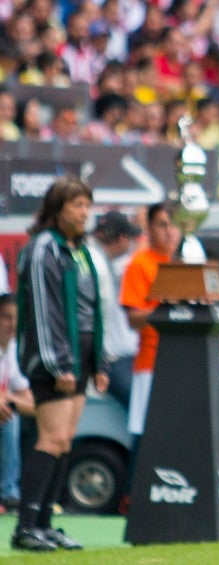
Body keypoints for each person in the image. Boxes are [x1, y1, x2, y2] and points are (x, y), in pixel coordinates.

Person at [13, 178, 109, 551]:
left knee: (65, 440)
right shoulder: (42, 249)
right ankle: (26, 526)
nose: (84, 213)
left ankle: (46, 524)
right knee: (50, 438)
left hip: (81, 354)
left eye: (87, 205)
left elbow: (92, 310)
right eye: (76, 205)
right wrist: (57, 365)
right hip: (54, 357)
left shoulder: (81, 250)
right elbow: (43, 312)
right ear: (57, 209)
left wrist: (97, 360)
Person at [120, 203, 179, 444]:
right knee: (148, 440)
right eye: (162, 224)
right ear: (150, 228)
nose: (169, 231)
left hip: (183, 360)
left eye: (173, 225)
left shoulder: (182, 262)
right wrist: (163, 307)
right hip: (151, 362)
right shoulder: (140, 263)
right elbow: (133, 319)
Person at [87, 211, 141, 410]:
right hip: (112, 362)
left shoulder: (101, 260)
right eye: (130, 239)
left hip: (117, 359)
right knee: (143, 410)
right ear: (121, 239)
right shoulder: (103, 262)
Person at [0, 294, 34, 513]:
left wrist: (9, 400)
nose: (12, 324)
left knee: (10, 414)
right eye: (5, 317)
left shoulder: (12, 349)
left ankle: (10, 494)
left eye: (15, 318)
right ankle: (8, 491)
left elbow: (31, 402)